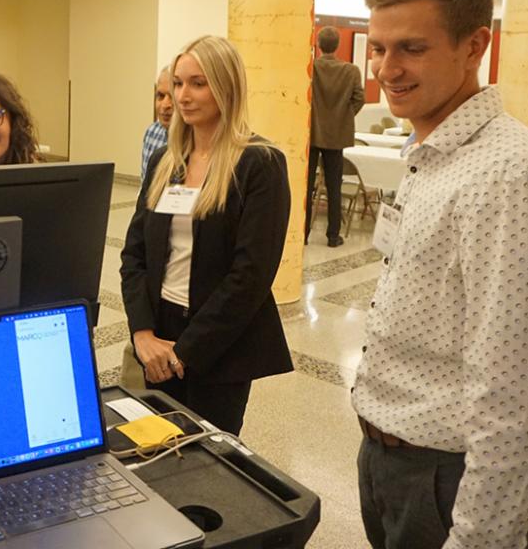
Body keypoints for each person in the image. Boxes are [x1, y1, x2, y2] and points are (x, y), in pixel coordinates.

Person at [354, 0, 528, 549]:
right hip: (390, 459)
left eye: (412, 47)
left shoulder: (513, 178)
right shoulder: (435, 153)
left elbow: (524, 398)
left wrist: (480, 539)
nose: (388, 68)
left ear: (474, 46)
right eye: (379, 48)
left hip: (449, 478)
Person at [120, 35, 293, 435]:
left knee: (208, 463)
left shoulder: (259, 164)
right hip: (159, 331)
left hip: (219, 344)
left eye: (198, 83)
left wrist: (184, 354)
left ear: (226, 86)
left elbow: (249, 277)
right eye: (178, 83)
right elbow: (135, 254)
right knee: (155, 450)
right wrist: (143, 333)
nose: (182, 95)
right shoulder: (167, 160)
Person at [305, 26, 364, 247]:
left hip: (312, 135)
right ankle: (332, 235)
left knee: (307, 186)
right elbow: (359, 99)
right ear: (337, 45)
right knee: (334, 186)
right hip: (336, 137)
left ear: (319, 45)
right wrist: (343, 118)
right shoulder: (351, 71)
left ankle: (303, 235)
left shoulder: (312, 69)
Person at [141, 65, 173, 181]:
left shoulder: (201, 142)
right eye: (160, 96)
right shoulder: (152, 133)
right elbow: (145, 188)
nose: (165, 105)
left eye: (172, 97)